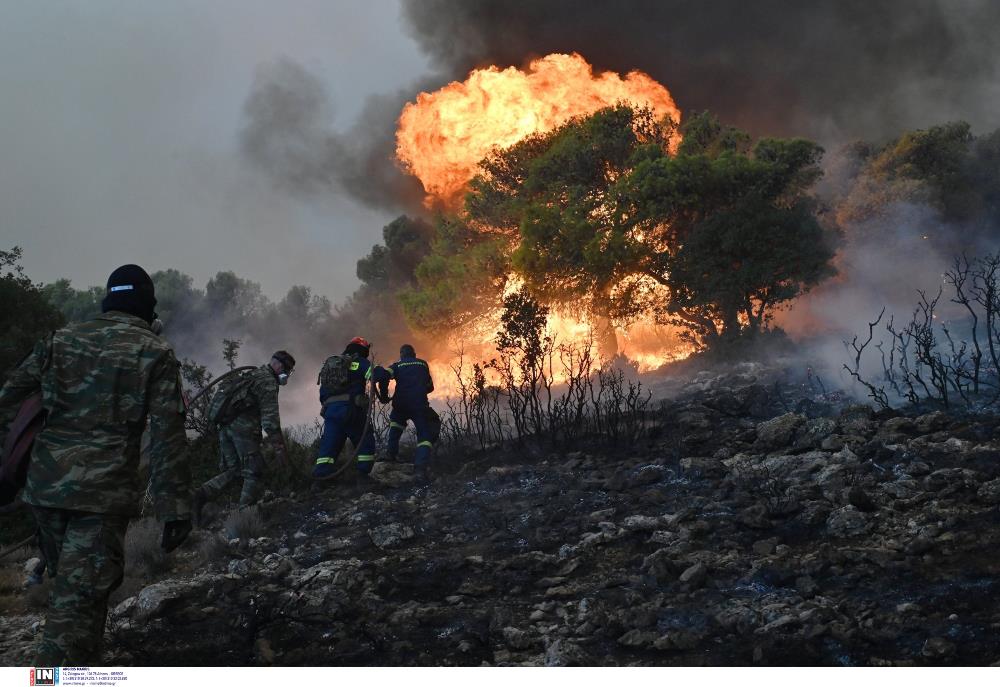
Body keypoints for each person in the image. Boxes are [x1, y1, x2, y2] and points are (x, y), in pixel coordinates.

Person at [0, 264, 191, 665]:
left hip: (45, 492)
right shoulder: (154, 352)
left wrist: (7, 467)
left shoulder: (60, 340)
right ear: (147, 306)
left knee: (75, 599)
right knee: (75, 614)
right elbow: (167, 436)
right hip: (100, 500)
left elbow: (8, 398)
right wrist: (174, 508)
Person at [193, 350, 295, 520]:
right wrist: (279, 448)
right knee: (254, 471)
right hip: (243, 430)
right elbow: (270, 421)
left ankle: (201, 495)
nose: (287, 375)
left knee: (235, 470)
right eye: (287, 370)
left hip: (225, 428)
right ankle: (245, 516)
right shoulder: (268, 382)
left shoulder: (254, 374)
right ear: (278, 366)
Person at [312, 337, 376, 480]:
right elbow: (375, 375)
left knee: (329, 447)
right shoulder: (359, 362)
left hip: (331, 413)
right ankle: (362, 477)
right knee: (365, 440)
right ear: (363, 349)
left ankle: (320, 480)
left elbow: (323, 393)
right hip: (351, 411)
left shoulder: (332, 365)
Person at [374, 344, 436, 482]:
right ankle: (420, 469)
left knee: (395, 427)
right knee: (424, 436)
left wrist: (383, 396)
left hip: (400, 404)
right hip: (419, 404)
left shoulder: (396, 365)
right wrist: (417, 390)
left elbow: (383, 377)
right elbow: (430, 387)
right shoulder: (423, 364)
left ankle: (391, 454)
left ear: (401, 355)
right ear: (414, 354)